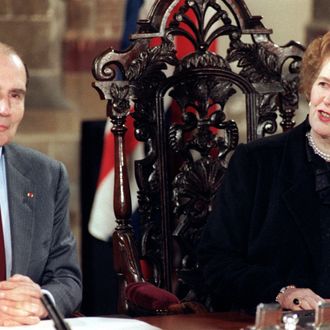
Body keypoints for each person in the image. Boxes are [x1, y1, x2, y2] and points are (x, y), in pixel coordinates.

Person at [198, 31, 330, 313]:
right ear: (309, 88)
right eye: (324, 84)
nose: (328, 100)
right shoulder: (256, 162)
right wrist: (281, 293)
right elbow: (215, 260)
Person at [0, 42, 82, 326]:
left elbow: (67, 278)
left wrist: (41, 301)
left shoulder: (47, 175)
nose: (5, 109)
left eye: (15, 95)